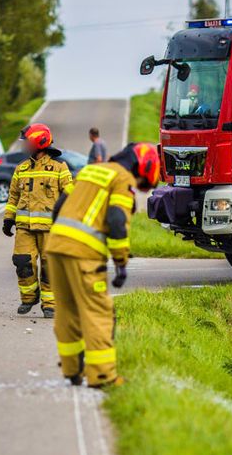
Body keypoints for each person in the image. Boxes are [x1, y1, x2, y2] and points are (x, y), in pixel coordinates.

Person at [45, 142, 160, 388]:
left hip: (55, 247)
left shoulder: (90, 170)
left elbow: (58, 208)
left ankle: (72, 370)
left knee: (66, 310)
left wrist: (61, 237)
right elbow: (117, 220)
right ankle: (103, 376)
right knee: (98, 313)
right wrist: (120, 262)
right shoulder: (122, 178)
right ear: (145, 166)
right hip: (83, 253)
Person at [2, 123, 72, 318]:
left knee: (50, 267)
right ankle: (29, 297)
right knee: (22, 262)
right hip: (24, 227)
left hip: (51, 229)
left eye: (27, 142)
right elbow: (13, 196)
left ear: (38, 142)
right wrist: (8, 219)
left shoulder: (59, 168)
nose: (25, 147)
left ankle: (49, 304)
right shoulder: (21, 168)